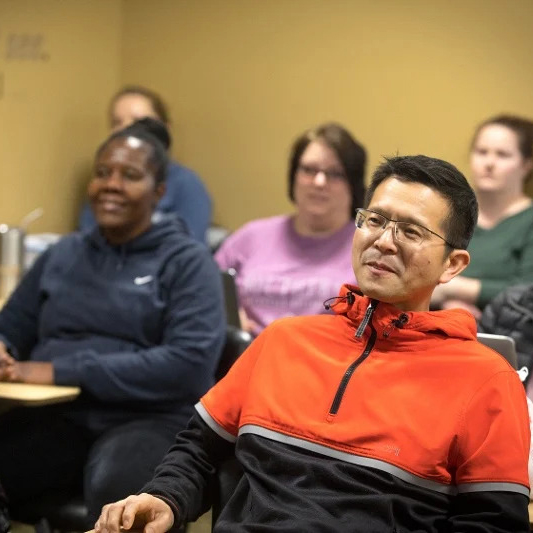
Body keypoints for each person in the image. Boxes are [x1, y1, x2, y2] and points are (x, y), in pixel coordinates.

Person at [95, 155, 530, 533]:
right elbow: (198, 451)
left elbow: (491, 522)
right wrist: (164, 499)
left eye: (411, 232)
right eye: (375, 220)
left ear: (452, 265)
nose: (383, 241)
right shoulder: (283, 340)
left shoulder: (486, 379)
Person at [0, 118, 226, 527]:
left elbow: (188, 362)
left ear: (158, 191)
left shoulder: (188, 263)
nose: (111, 184)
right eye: (102, 173)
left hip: (148, 420)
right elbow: (11, 327)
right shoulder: (63, 254)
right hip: (58, 416)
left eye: (130, 175)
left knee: (120, 503)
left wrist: (59, 371)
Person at [215, 122, 366, 335]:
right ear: (293, 176)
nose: (319, 182)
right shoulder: (251, 236)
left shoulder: (368, 246)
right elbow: (203, 289)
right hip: (246, 356)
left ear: (353, 183)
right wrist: (229, 314)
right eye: (309, 170)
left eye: (334, 174)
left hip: (325, 361)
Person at [79, 85, 212, 243]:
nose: (126, 129)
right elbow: (87, 241)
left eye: (138, 121)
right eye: (117, 122)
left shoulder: (186, 183)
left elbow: (189, 250)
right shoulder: (104, 184)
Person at [432, 114, 533, 318]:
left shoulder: (527, 220)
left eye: (502, 155)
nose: (489, 163)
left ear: (527, 164)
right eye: (481, 152)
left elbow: (527, 293)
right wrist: (450, 304)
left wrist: (454, 288)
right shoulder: (445, 210)